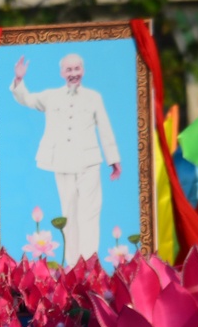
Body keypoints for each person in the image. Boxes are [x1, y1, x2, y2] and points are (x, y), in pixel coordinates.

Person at [10, 51, 121, 267]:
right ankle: (73, 266)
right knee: (69, 214)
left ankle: (89, 263)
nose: (73, 73)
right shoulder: (51, 96)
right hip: (63, 163)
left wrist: (113, 159)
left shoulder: (93, 97)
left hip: (89, 162)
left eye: (77, 68)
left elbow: (105, 128)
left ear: (83, 71)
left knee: (90, 212)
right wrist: (19, 79)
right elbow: (27, 99)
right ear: (62, 73)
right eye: (69, 69)